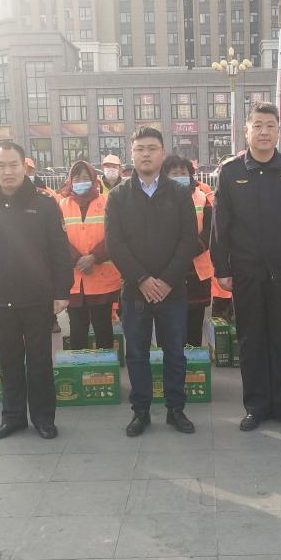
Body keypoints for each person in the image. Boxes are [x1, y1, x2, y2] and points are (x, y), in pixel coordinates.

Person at [211, 102, 281, 431]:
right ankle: (256, 406)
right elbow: (220, 225)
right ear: (246, 131)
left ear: (278, 131)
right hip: (247, 271)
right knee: (251, 339)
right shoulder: (231, 172)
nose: (264, 132)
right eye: (257, 126)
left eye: (270, 126)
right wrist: (222, 268)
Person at [0, 142, 72, 440]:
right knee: (8, 361)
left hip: (37, 297)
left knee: (40, 361)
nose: (8, 171)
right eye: (1, 165)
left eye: (13, 165)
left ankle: (43, 418)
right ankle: (12, 417)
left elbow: (59, 251)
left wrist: (62, 291)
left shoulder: (44, 204)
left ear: (24, 167)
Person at [105, 126, 198, 437]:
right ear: (131, 154)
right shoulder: (118, 196)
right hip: (135, 291)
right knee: (136, 354)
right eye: (140, 149)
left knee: (175, 352)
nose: (146, 154)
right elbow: (115, 243)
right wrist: (143, 279)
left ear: (162, 153)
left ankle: (176, 410)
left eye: (152, 148)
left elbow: (188, 240)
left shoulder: (179, 194)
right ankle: (140, 412)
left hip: (173, 290)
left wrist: (167, 280)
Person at [59, 160, 121, 350]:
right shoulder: (61, 204)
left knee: (103, 327)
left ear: (94, 180)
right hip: (74, 280)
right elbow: (56, 237)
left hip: (102, 278)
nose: (81, 182)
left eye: (85, 178)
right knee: (77, 328)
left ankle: (105, 367)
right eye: (77, 178)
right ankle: (80, 365)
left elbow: (116, 235)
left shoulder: (108, 202)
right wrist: (77, 259)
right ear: (70, 181)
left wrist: (94, 257)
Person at [161, 155, 213, 347]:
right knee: (170, 324)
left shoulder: (202, 198)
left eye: (183, 172)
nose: (179, 176)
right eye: (174, 173)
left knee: (194, 323)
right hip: (168, 270)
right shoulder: (158, 198)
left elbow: (210, 231)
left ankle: (194, 361)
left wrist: (189, 249)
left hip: (196, 270)